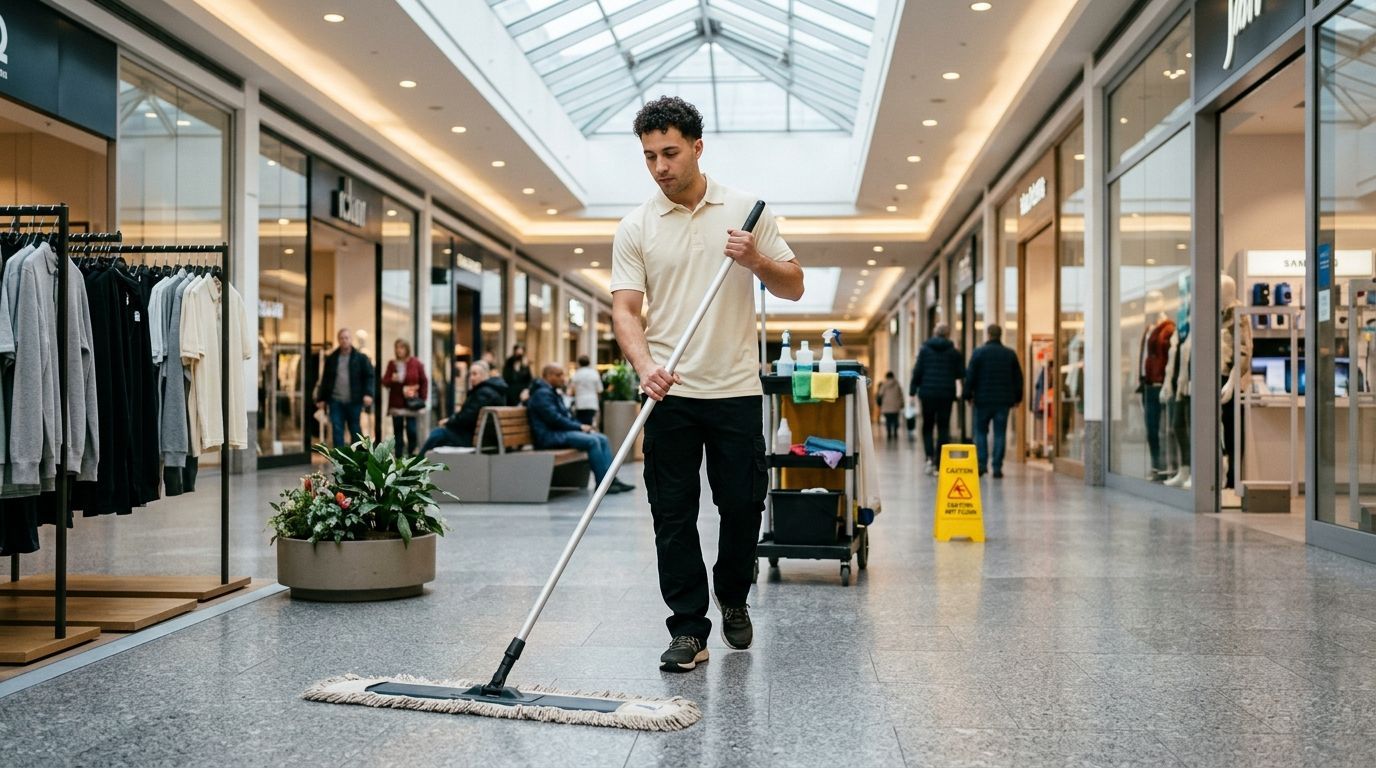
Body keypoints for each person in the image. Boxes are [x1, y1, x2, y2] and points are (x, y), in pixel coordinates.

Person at [612, 96, 803, 673]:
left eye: (670, 153)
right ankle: (688, 628)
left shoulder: (745, 211)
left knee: (742, 505)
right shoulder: (636, 225)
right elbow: (625, 310)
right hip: (667, 392)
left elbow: (793, 285)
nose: (660, 167)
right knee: (672, 514)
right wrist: (644, 366)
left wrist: (756, 260)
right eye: (650, 156)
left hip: (736, 390)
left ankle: (733, 595)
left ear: (697, 147)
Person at [526, 364, 634, 495]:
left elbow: (564, 417)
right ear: (548, 376)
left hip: (558, 432)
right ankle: (603, 483)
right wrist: (579, 427)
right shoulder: (542, 394)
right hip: (548, 436)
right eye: (559, 375)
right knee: (592, 441)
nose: (563, 378)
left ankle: (611, 480)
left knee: (602, 438)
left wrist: (581, 427)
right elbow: (554, 419)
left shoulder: (550, 392)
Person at [964, 324, 1023, 479]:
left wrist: (967, 395)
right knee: (1000, 434)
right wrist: (1018, 398)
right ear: (1000, 335)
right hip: (1003, 402)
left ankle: (982, 464)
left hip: (982, 400)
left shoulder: (979, 353)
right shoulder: (1009, 354)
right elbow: (1018, 378)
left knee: (980, 432)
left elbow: (970, 375)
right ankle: (997, 467)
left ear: (988, 335)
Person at [910, 323, 965, 474]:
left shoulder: (924, 350)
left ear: (935, 333)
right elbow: (960, 373)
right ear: (948, 334)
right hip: (946, 394)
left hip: (927, 393)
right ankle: (939, 462)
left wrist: (912, 391)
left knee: (927, 426)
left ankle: (929, 458)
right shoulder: (954, 352)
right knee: (943, 427)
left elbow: (917, 371)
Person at [419, 361, 507, 454]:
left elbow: (466, 418)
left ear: (484, 375)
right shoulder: (492, 390)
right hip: (485, 437)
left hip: (478, 438)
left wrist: (449, 421)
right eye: (470, 374)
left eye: (475, 374)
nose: (471, 378)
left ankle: (416, 462)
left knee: (438, 434)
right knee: (440, 437)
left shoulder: (483, 393)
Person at [315, 328, 375, 448]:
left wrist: (368, 393)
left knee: (355, 429)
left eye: (346, 338)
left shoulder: (360, 358)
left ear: (351, 339)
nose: (344, 340)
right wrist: (321, 398)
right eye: (341, 338)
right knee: (337, 429)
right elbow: (325, 380)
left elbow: (369, 376)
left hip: (354, 400)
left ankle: (358, 456)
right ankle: (340, 456)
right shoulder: (332, 359)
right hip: (335, 401)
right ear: (338, 340)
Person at [382, 339, 427, 456]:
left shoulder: (415, 363)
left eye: (401, 347)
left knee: (412, 431)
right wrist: (392, 379)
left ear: (407, 349)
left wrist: (422, 399)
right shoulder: (392, 364)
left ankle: (411, 456)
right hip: (396, 404)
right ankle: (398, 458)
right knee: (398, 433)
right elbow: (385, 381)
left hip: (411, 403)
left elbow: (424, 381)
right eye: (397, 347)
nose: (399, 350)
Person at [570, 355, 602, 427]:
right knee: (589, 422)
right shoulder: (594, 373)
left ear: (579, 363)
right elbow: (599, 389)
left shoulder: (577, 374)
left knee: (581, 423)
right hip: (592, 402)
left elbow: (572, 390)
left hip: (580, 402)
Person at [876, 372, 904, 441]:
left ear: (887, 377)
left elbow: (880, 394)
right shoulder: (897, 384)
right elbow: (901, 395)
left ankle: (889, 434)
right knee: (895, 420)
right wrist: (902, 404)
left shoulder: (884, 384)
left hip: (887, 406)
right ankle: (895, 432)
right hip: (895, 406)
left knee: (888, 420)